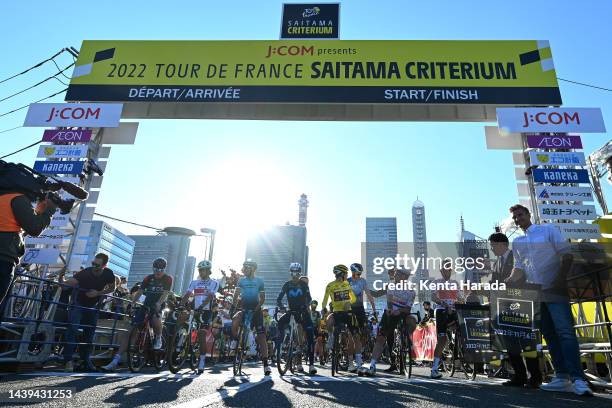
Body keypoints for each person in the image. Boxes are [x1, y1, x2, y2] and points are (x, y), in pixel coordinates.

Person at [507, 204, 591, 396]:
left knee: (565, 333)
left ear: (528, 214)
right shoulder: (518, 242)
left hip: (555, 289)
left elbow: (567, 255)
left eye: (520, 215)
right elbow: (518, 268)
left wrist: (560, 280)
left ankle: (578, 379)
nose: (518, 219)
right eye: (515, 217)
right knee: (549, 334)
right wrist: (505, 282)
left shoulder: (548, 230)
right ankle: (561, 376)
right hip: (536, 294)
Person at [488, 232, 542, 388]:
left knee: (526, 338)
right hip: (504, 306)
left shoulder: (515, 256)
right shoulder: (497, 263)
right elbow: (494, 283)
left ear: (502, 244)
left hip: (522, 303)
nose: (491, 248)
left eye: (492, 245)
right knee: (510, 340)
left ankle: (535, 376)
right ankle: (519, 375)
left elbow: (524, 275)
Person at [100, 258, 172, 372]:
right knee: (129, 331)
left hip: (159, 304)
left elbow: (166, 293)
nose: (158, 272)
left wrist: (159, 303)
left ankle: (158, 337)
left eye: (161, 270)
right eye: (156, 269)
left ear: (164, 269)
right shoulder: (148, 278)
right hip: (146, 304)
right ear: (153, 268)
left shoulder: (168, 278)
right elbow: (140, 292)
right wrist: (132, 303)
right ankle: (114, 361)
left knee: (155, 318)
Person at [0, 191, 57, 318]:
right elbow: (34, 228)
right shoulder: (18, 198)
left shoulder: (4, 198)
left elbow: (12, 228)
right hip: (4, 258)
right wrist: (49, 211)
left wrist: (37, 213)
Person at [59, 253, 116, 372]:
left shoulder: (109, 273)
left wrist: (98, 293)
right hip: (78, 303)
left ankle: (85, 360)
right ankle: (68, 361)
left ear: (104, 266)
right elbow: (65, 286)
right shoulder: (85, 272)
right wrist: (61, 276)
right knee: (72, 329)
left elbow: (112, 288)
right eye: (93, 263)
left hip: (93, 306)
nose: (94, 266)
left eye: (97, 265)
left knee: (90, 333)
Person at [366, 268, 416, 376]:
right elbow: (387, 300)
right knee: (383, 337)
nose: (394, 275)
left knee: (412, 321)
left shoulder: (411, 291)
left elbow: (408, 309)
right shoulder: (390, 285)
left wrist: (400, 311)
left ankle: (407, 341)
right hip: (390, 312)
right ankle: (373, 365)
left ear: (405, 277)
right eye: (393, 273)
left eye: (397, 274)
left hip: (402, 312)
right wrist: (366, 289)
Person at [231, 259, 270, 375]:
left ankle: (266, 364)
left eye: (246, 267)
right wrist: (233, 306)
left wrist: (256, 309)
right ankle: (237, 343)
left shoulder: (259, 281)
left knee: (261, 337)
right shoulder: (241, 281)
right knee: (235, 320)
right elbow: (236, 294)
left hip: (256, 310)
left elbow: (262, 298)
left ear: (252, 268)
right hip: (244, 309)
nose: (243, 270)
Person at [276, 262, 317, 375]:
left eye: (297, 272)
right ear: (290, 272)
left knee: (309, 335)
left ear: (300, 273)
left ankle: (312, 364)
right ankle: (281, 343)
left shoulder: (304, 285)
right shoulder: (287, 284)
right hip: (291, 311)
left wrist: (305, 305)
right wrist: (282, 307)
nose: (295, 274)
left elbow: (309, 298)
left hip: (303, 312)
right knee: (280, 322)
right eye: (293, 272)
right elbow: (279, 299)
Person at [322, 265, 364, 374]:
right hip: (336, 312)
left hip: (348, 313)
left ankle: (358, 364)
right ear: (342, 274)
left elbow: (353, 298)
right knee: (329, 320)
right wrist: (324, 308)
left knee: (356, 336)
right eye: (346, 274)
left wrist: (348, 303)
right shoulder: (330, 285)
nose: (347, 276)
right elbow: (325, 300)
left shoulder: (347, 285)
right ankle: (331, 337)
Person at [181, 259, 220, 374]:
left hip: (206, 311)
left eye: (203, 270)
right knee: (182, 319)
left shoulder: (214, 282)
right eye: (199, 270)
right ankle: (179, 346)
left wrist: (202, 306)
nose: (201, 272)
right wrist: (180, 304)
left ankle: (202, 360)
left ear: (208, 271)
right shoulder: (194, 282)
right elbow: (187, 294)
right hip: (196, 310)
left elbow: (210, 297)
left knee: (202, 335)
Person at [430, 264, 464, 379]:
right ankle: (434, 369)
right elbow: (433, 297)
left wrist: (462, 301)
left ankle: (459, 350)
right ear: (441, 270)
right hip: (441, 311)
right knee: (442, 339)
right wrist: (443, 304)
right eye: (445, 269)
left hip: (454, 311)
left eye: (449, 269)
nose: (447, 271)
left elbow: (460, 297)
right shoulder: (436, 282)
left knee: (464, 329)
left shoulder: (455, 283)